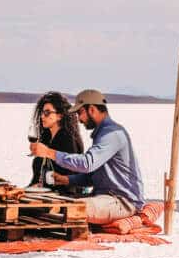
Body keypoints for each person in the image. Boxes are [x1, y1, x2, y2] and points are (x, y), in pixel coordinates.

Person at [30, 88, 145, 224]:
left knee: (69, 209)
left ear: (91, 110)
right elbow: (95, 175)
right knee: (57, 202)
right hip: (105, 197)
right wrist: (67, 180)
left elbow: (87, 164)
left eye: (80, 113)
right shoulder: (103, 133)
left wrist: (49, 152)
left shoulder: (112, 134)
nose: (79, 119)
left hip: (122, 201)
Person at [27, 91, 84, 188]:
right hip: (41, 195)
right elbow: (37, 177)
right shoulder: (45, 138)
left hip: (62, 197)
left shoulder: (67, 140)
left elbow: (70, 177)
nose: (42, 116)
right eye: (42, 113)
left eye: (47, 113)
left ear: (60, 116)